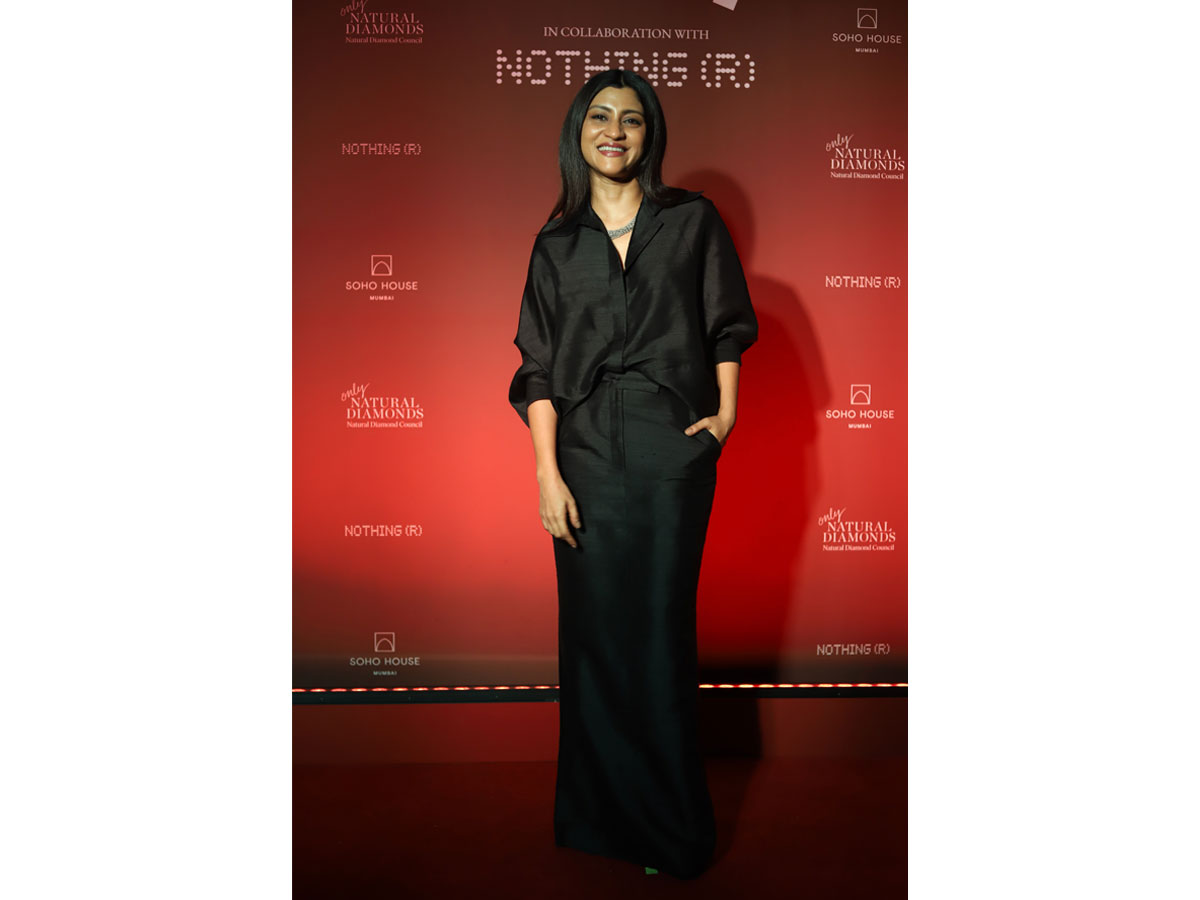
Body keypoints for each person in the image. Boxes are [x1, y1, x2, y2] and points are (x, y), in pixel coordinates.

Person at [508, 69, 758, 880]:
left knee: (657, 633)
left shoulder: (691, 221)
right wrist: (547, 474)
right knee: (592, 636)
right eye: (600, 116)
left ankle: (669, 832)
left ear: (650, 136)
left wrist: (724, 417)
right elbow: (537, 370)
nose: (615, 130)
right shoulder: (555, 245)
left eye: (633, 119)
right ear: (578, 132)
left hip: (668, 447)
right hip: (581, 452)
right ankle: (599, 821)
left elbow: (725, 324)